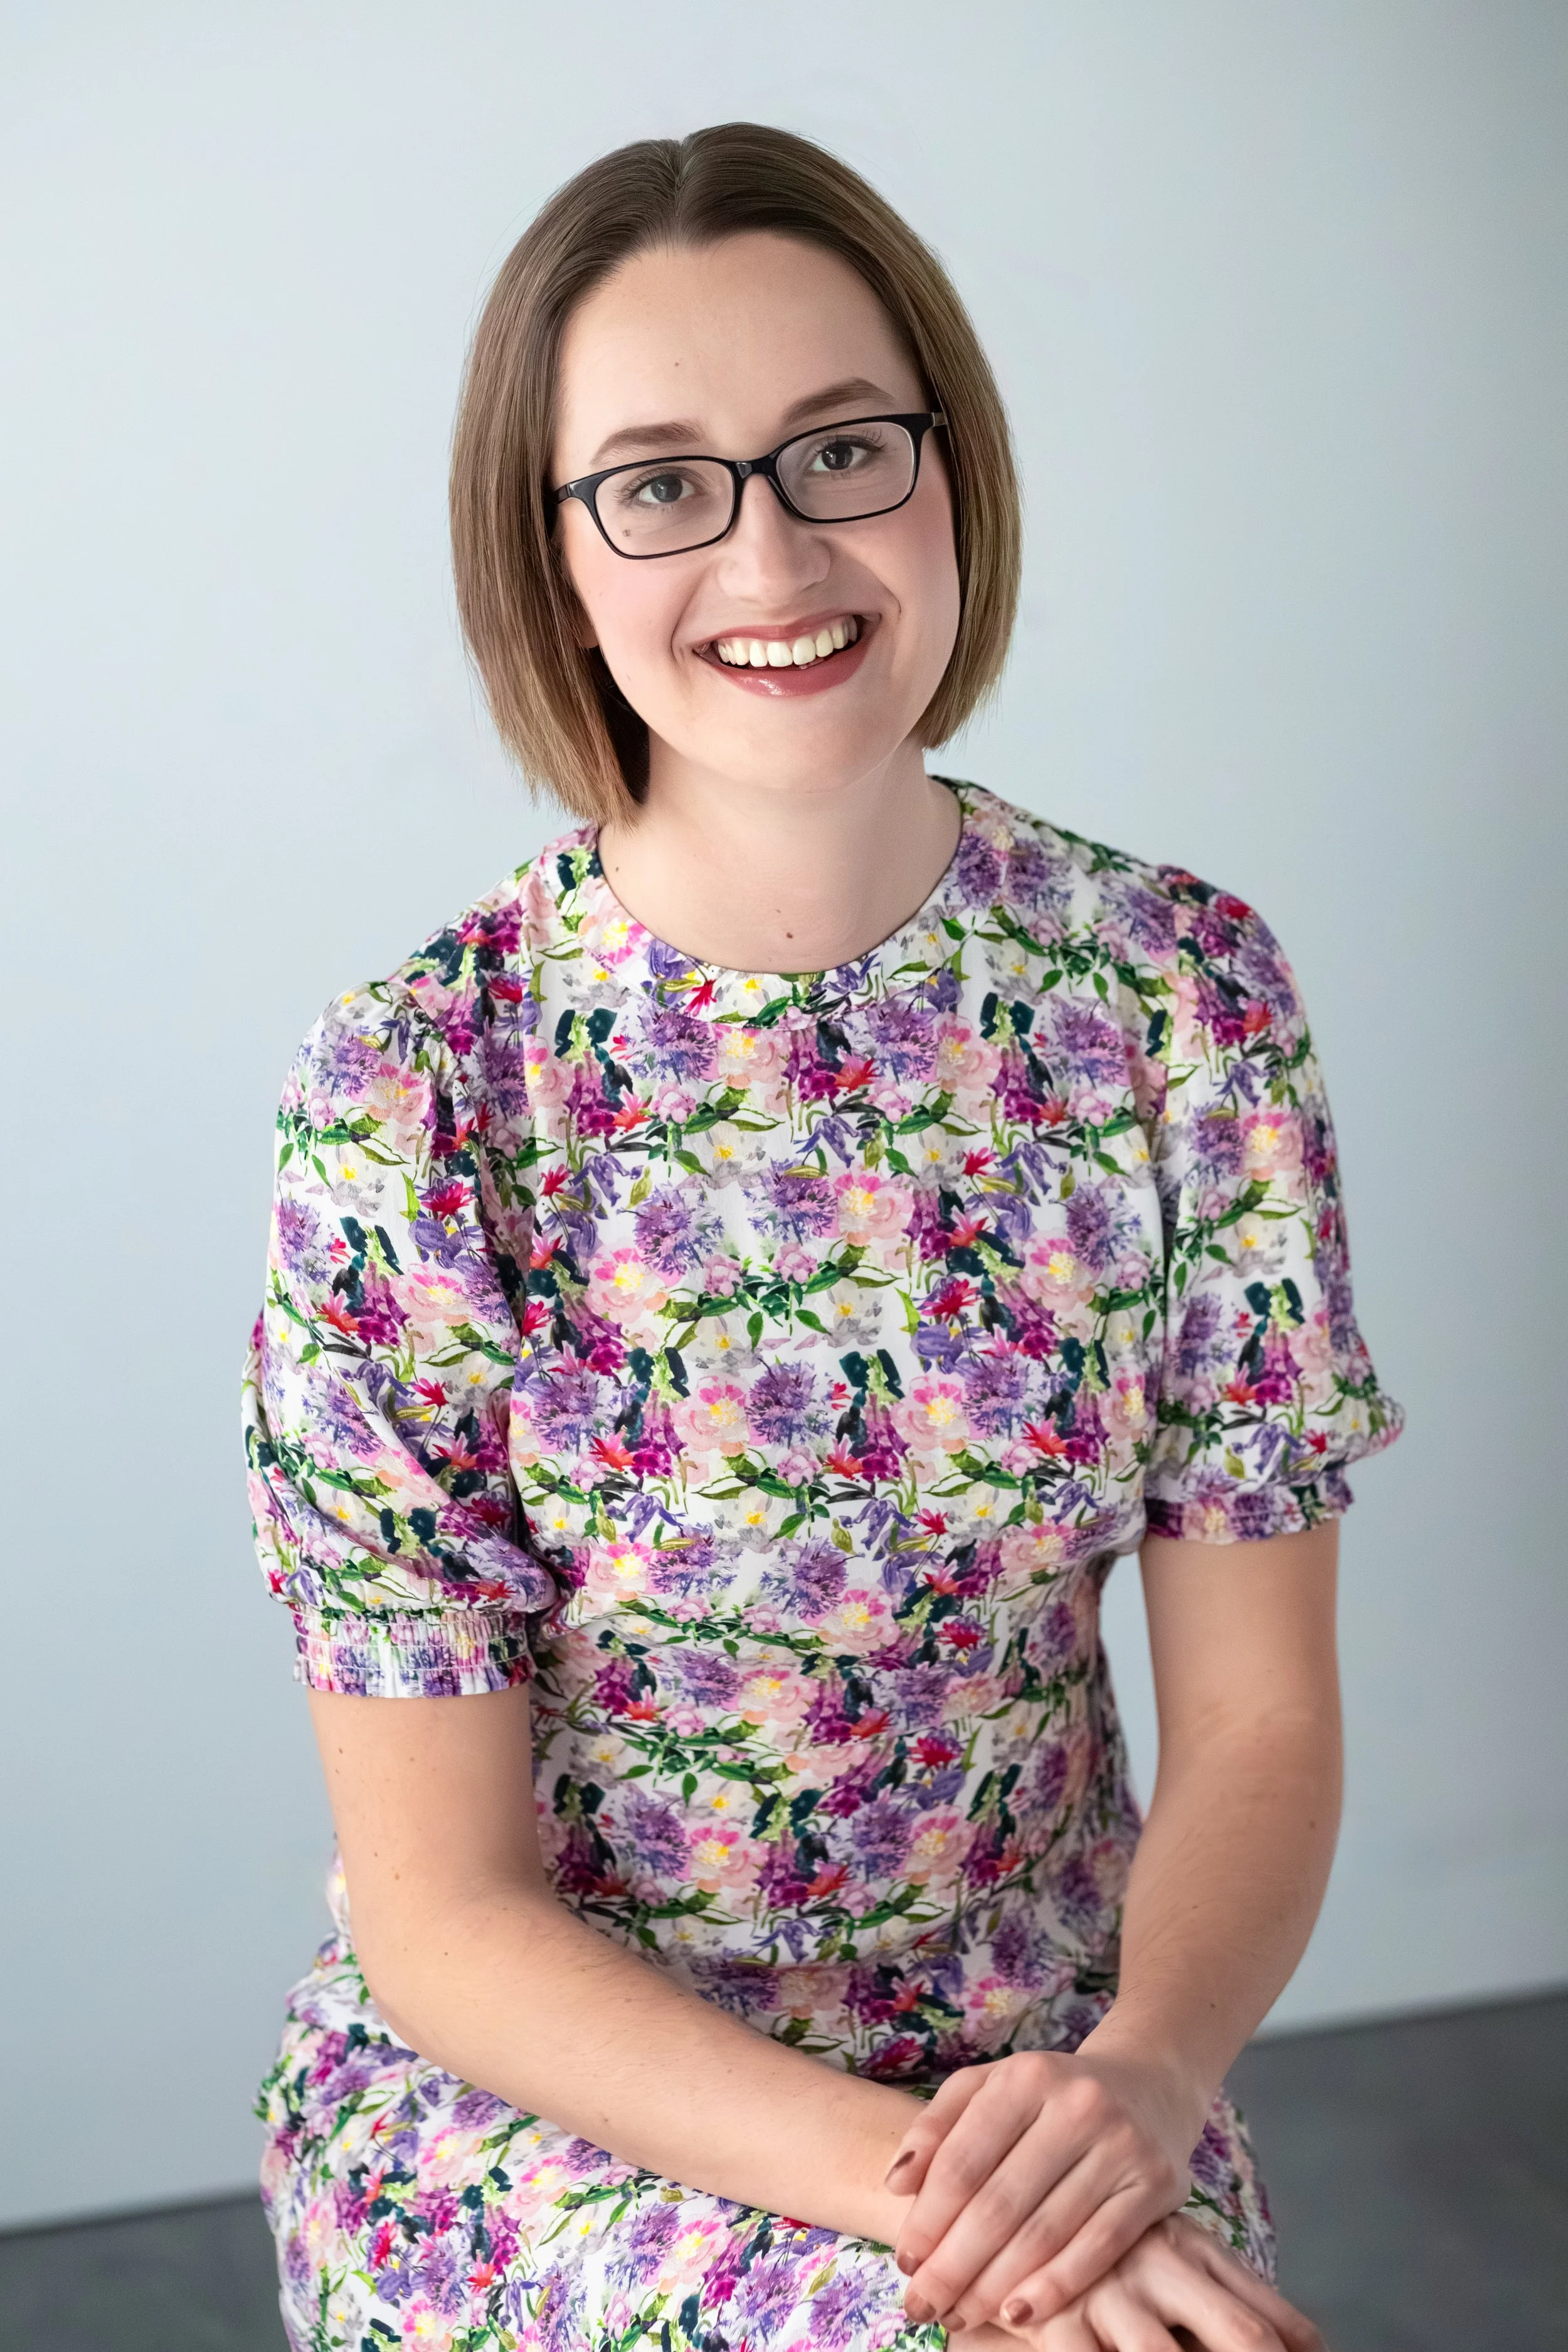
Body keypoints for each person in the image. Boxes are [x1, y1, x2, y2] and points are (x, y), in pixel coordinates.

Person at [244, 123, 1401, 2352]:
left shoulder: (1178, 999)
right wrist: (937, 2218)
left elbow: (1255, 1717)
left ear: (949, 472)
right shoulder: (413, 1097)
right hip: (570, 2093)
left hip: (1057, 2047)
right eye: (660, 480)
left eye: (840, 450)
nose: (772, 546)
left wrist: (1138, 2083)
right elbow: (443, 1907)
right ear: (549, 553)